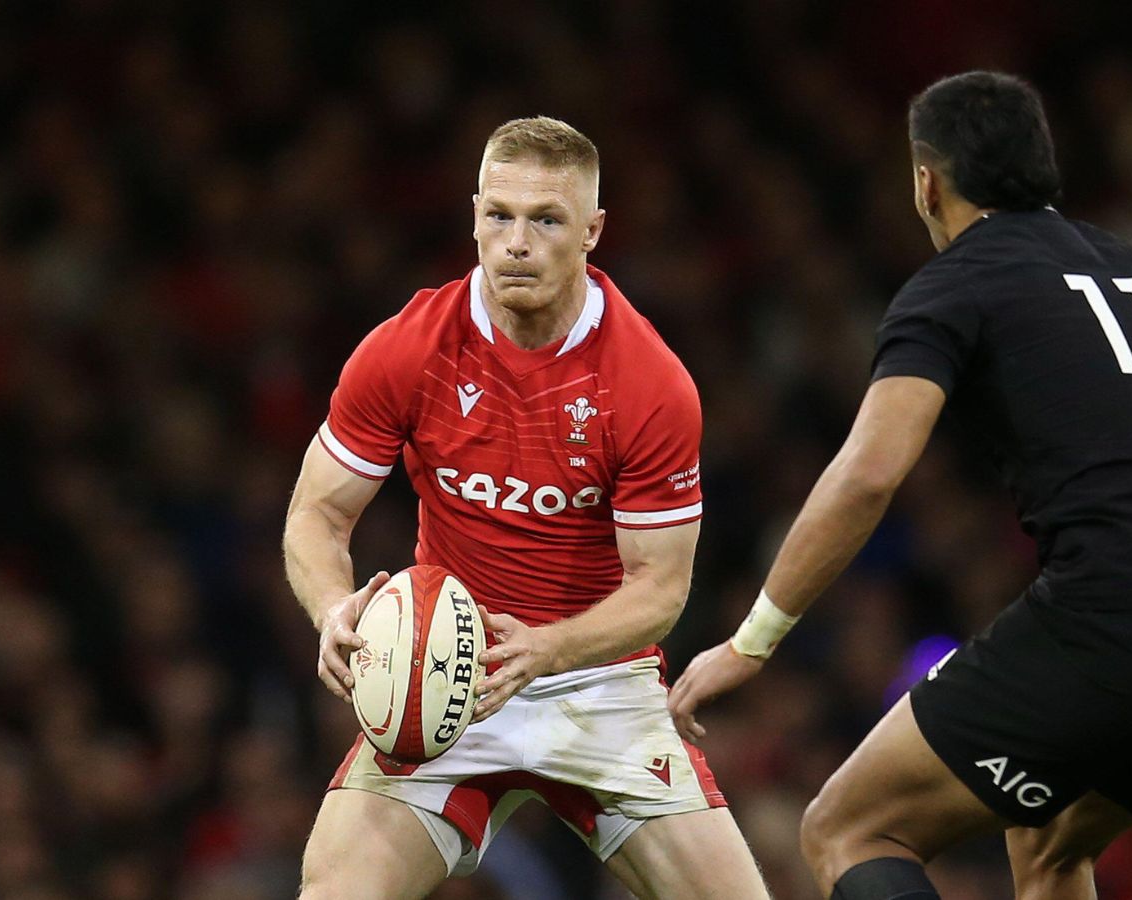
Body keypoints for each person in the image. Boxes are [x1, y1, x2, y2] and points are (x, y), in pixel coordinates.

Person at [668, 71, 1132, 900]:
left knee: (851, 827)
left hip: (1116, 625)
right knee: (1047, 847)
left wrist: (751, 642)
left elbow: (868, 473)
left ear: (926, 184)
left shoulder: (954, 284)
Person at [282, 116, 768, 899]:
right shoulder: (408, 349)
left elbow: (661, 588)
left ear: (592, 232)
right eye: (500, 216)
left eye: (546, 221)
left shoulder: (649, 384)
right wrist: (333, 608)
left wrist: (546, 649)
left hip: (597, 682)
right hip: (447, 678)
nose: (517, 243)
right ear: (474, 217)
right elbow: (316, 516)